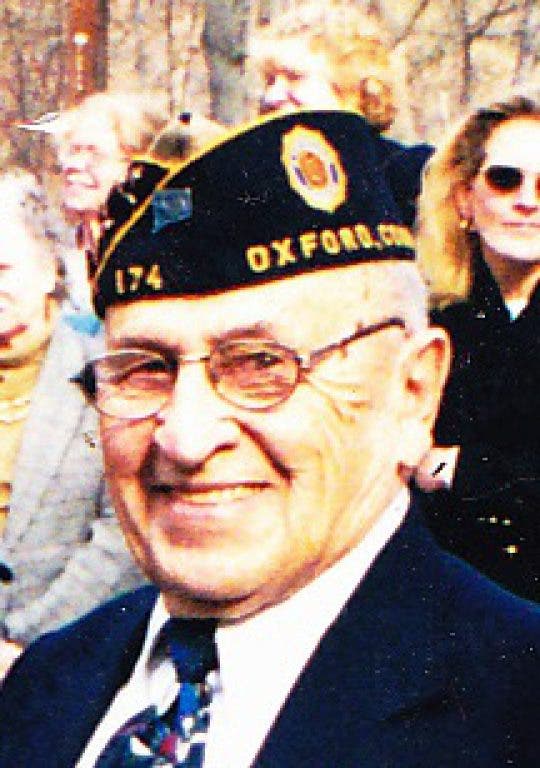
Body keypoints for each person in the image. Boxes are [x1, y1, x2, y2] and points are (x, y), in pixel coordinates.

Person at [0, 112, 538, 767]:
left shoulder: (513, 709)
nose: (186, 437)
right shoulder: (49, 681)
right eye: (144, 369)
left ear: (412, 392)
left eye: (261, 364)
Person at [0, 169, 143, 679]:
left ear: (48, 270)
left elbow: (122, 536)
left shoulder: (104, 374)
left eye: (3, 269)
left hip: (59, 660)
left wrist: (24, 644)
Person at [415, 90, 540, 602]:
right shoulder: (428, 325)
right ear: (465, 199)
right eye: (505, 179)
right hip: (448, 591)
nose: (527, 201)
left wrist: (460, 470)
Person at [248, 1, 431, 228]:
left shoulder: (411, 175)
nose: (271, 96)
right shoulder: (254, 180)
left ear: (352, 86)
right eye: (269, 81)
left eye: (294, 77)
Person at [21, 91, 169, 325]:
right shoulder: (53, 250)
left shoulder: (156, 253)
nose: (73, 165)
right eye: (72, 151)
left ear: (135, 167)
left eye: (94, 154)